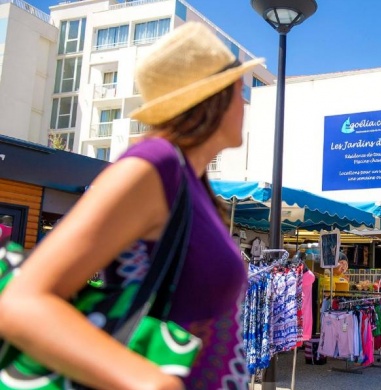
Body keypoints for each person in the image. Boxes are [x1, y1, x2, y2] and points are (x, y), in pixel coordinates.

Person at [0, 22, 264, 389]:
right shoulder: (158, 163)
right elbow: (20, 302)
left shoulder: (191, 183)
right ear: (213, 97)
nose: (245, 101)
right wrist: (150, 382)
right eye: (239, 88)